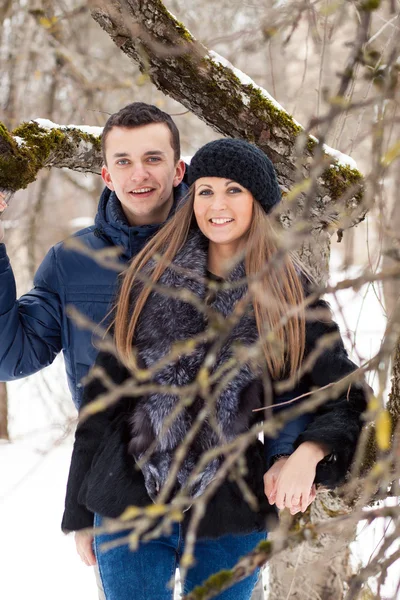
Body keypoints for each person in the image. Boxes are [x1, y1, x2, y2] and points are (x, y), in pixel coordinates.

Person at [0, 105, 307, 599]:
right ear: (105, 173)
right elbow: (9, 356)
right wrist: (82, 510)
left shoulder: (227, 244)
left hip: (227, 482)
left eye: (152, 158)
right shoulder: (72, 263)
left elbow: (291, 366)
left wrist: (286, 457)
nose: (139, 173)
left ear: (178, 168)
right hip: (120, 484)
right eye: (122, 161)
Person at [61, 139, 368, 600]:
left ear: (258, 204)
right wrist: (80, 513)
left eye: (233, 192)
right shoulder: (148, 280)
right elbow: (102, 401)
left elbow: (348, 398)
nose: (216, 205)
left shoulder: (290, 298)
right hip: (128, 502)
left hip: (230, 513)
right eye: (204, 191)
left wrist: (307, 455)